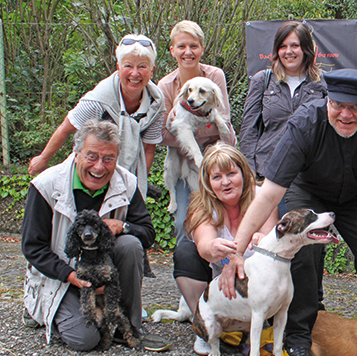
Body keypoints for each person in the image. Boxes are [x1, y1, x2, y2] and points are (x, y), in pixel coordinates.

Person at [228, 69, 357, 356]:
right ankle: (299, 335)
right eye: (338, 105)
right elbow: (269, 194)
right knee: (305, 253)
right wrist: (236, 250)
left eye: (355, 107)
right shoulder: (304, 122)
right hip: (310, 191)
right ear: (327, 98)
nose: (345, 114)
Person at [21, 120, 168, 352]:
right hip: (63, 276)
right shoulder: (46, 185)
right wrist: (71, 277)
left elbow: (147, 234)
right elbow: (32, 247)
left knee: (130, 244)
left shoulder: (127, 183)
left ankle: (129, 325)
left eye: (108, 158)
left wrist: (123, 225)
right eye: (91, 156)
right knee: (86, 340)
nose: (99, 167)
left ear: (117, 158)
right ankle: (42, 309)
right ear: (76, 153)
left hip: (105, 275)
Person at [172, 142, 278, 355]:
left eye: (231, 173)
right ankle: (203, 324)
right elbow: (203, 245)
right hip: (218, 285)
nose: (226, 182)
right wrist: (212, 247)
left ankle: (254, 328)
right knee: (185, 252)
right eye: (217, 177)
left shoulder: (262, 197)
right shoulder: (202, 205)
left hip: (256, 284)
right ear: (208, 183)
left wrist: (261, 237)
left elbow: (273, 239)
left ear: (244, 173)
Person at [28, 34, 165, 198]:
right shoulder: (99, 100)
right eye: (128, 66)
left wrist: (135, 183)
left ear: (151, 70)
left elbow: (148, 148)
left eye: (142, 66)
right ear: (118, 67)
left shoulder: (156, 103)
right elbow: (66, 128)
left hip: (128, 174)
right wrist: (43, 159)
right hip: (90, 172)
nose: (135, 73)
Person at [159, 20, 238, 237]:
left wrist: (188, 129)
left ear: (202, 48)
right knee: (184, 223)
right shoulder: (165, 86)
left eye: (194, 46)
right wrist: (206, 128)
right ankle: (187, 269)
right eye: (182, 46)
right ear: (172, 50)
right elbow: (163, 135)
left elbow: (225, 124)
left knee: (225, 221)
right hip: (186, 163)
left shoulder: (215, 77)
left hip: (217, 163)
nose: (188, 52)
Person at [240, 21, 327, 187]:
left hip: (311, 177)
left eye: (295, 45)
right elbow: (248, 129)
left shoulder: (323, 83)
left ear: (306, 48)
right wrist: (249, 173)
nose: (288, 51)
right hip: (268, 174)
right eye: (283, 46)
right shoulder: (262, 80)